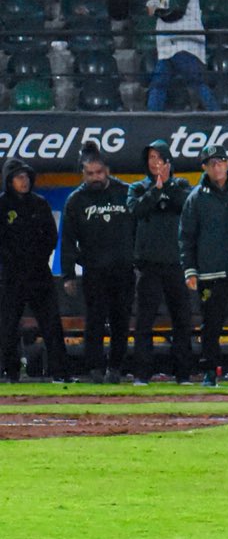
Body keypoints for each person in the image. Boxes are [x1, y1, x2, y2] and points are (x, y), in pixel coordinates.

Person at [181, 147, 228, 387]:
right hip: (209, 273)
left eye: (220, 162)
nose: (217, 167)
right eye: (211, 163)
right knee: (210, 325)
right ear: (204, 166)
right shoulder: (196, 198)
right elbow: (187, 237)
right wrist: (190, 269)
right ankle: (210, 371)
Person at [64, 149, 135, 383]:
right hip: (94, 271)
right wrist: (68, 274)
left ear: (107, 171)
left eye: (99, 172)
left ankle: (116, 368)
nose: (95, 177)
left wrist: (138, 261)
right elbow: (67, 241)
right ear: (83, 174)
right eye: (90, 173)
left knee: (120, 321)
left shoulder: (126, 192)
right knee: (94, 320)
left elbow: (139, 231)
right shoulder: (76, 200)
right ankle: (94, 368)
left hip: (123, 270)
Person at [128, 142, 195, 383]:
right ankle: (142, 373)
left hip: (177, 264)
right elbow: (136, 211)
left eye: (158, 157)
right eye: (150, 157)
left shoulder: (182, 185)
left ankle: (184, 373)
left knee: (182, 321)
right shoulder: (137, 188)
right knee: (144, 322)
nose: (154, 162)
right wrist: (156, 190)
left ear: (168, 160)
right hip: (148, 265)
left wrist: (166, 185)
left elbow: (187, 206)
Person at [0, 160, 66, 382]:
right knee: (7, 326)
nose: (24, 181)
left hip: (39, 274)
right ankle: (10, 372)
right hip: (11, 276)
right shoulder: (2, 206)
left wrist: (38, 258)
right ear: (9, 181)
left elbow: (51, 236)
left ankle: (60, 372)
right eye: (19, 177)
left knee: (51, 325)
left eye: (26, 177)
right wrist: (12, 261)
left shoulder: (40, 204)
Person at [144, 0, 213, 111]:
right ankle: (150, 118)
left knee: (197, 82)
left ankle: (217, 116)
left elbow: (176, 12)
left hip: (183, 44)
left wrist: (156, 11)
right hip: (170, 45)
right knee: (158, 85)